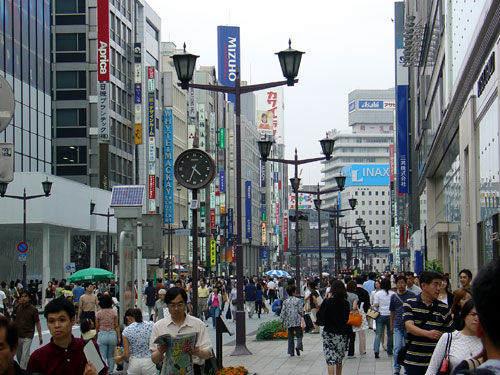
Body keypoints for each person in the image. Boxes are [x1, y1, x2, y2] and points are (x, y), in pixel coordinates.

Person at [27, 297, 105, 375]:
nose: (56, 325)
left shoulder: (89, 348)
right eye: (51, 321)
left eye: (62, 320)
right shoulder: (37, 358)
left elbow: (103, 373)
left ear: (72, 320)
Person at [149, 287, 213, 375]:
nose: (176, 309)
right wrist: (160, 351)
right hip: (168, 370)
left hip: (193, 369)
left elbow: (208, 354)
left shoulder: (198, 324)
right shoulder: (159, 326)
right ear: (167, 305)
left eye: (180, 304)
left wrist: (197, 352)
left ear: (186, 304)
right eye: (172, 305)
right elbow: (154, 359)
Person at [402, 271, 453, 375]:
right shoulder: (410, 304)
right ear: (424, 285)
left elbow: (451, 333)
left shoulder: (444, 308)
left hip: (436, 362)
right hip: (413, 361)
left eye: (440, 284)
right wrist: (428, 334)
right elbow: (409, 326)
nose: (439, 288)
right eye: (435, 284)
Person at [425, 299, 482, 375]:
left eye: (480, 315)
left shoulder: (488, 341)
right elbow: (432, 368)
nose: (476, 319)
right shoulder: (448, 338)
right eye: (473, 314)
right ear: (464, 315)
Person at [316, 280, 350, 375]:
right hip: (342, 334)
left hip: (329, 333)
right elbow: (346, 319)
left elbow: (320, 316)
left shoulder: (327, 302)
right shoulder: (345, 303)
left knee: (330, 360)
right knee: (339, 359)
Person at [114, 308, 156, 375]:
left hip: (134, 362)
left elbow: (126, 354)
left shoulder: (126, 331)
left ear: (129, 318)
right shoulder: (151, 325)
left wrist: (119, 358)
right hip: (149, 361)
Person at [390, 275, 415, 375]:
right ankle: (396, 368)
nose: (401, 285)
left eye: (402, 283)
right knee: (397, 348)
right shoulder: (394, 296)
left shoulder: (411, 295)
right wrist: (391, 325)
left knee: (408, 348)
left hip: (409, 326)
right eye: (399, 283)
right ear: (396, 284)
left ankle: (407, 367)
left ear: (406, 283)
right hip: (397, 325)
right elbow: (392, 311)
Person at [12, 290, 42, 369]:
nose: (23, 298)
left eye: (25, 296)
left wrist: (40, 336)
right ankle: (28, 368)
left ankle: (23, 370)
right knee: (19, 355)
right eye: (22, 296)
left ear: (29, 298)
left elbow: (37, 323)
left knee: (24, 356)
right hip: (18, 335)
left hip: (28, 336)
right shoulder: (17, 307)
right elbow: (12, 319)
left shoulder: (33, 310)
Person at [95, 294, 120, 373]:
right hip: (112, 334)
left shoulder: (98, 314)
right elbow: (116, 326)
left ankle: (103, 372)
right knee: (111, 356)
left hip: (102, 334)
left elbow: (97, 327)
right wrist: (118, 337)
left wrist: (96, 337)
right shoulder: (114, 313)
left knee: (102, 356)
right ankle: (110, 372)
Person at [279, 285, 303, 357]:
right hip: (297, 320)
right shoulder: (298, 300)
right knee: (299, 335)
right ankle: (298, 346)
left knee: (290, 336)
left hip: (289, 321)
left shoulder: (285, 301)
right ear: (293, 292)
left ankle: (291, 352)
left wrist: (281, 321)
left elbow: (283, 312)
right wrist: (302, 315)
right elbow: (300, 311)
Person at [373, 278, 394, 358]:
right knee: (390, 334)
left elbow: (375, 305)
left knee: (378, 334)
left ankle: (376, 350)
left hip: (380, 315)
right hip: (390, 315)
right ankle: (389, 350)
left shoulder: (378, 294)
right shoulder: (393, 294)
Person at [355, 276, 371, 356]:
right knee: (362, 333)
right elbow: (368, 304)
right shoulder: (365, 292)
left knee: (351, 333)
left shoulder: (353, 291)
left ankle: (350, 349)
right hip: (362, 314)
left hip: (352, 314)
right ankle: (362, 350)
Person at [346, 280, 359, 357]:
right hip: (351, 317)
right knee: (352, 335)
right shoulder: (355, 296)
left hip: (343, 316)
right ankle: (351, 353)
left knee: (345, 334)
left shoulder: (344, 295)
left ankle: (344, 348)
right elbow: (354, 307)